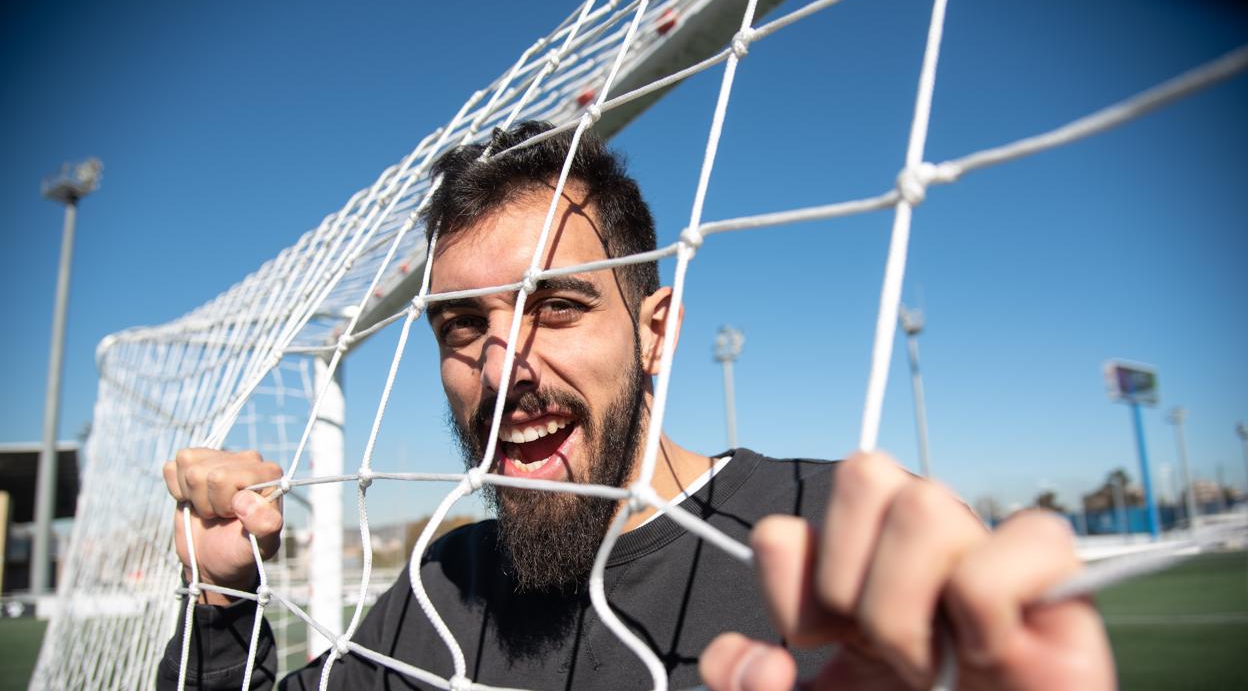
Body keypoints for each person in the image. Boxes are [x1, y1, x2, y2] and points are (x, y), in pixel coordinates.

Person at [158, 122, 1113, 690]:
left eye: (557, 307)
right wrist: (218, 596)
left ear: (655, 331)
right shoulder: (441, 590)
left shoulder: (829, 540)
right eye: (461, 326)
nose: (502, 367)